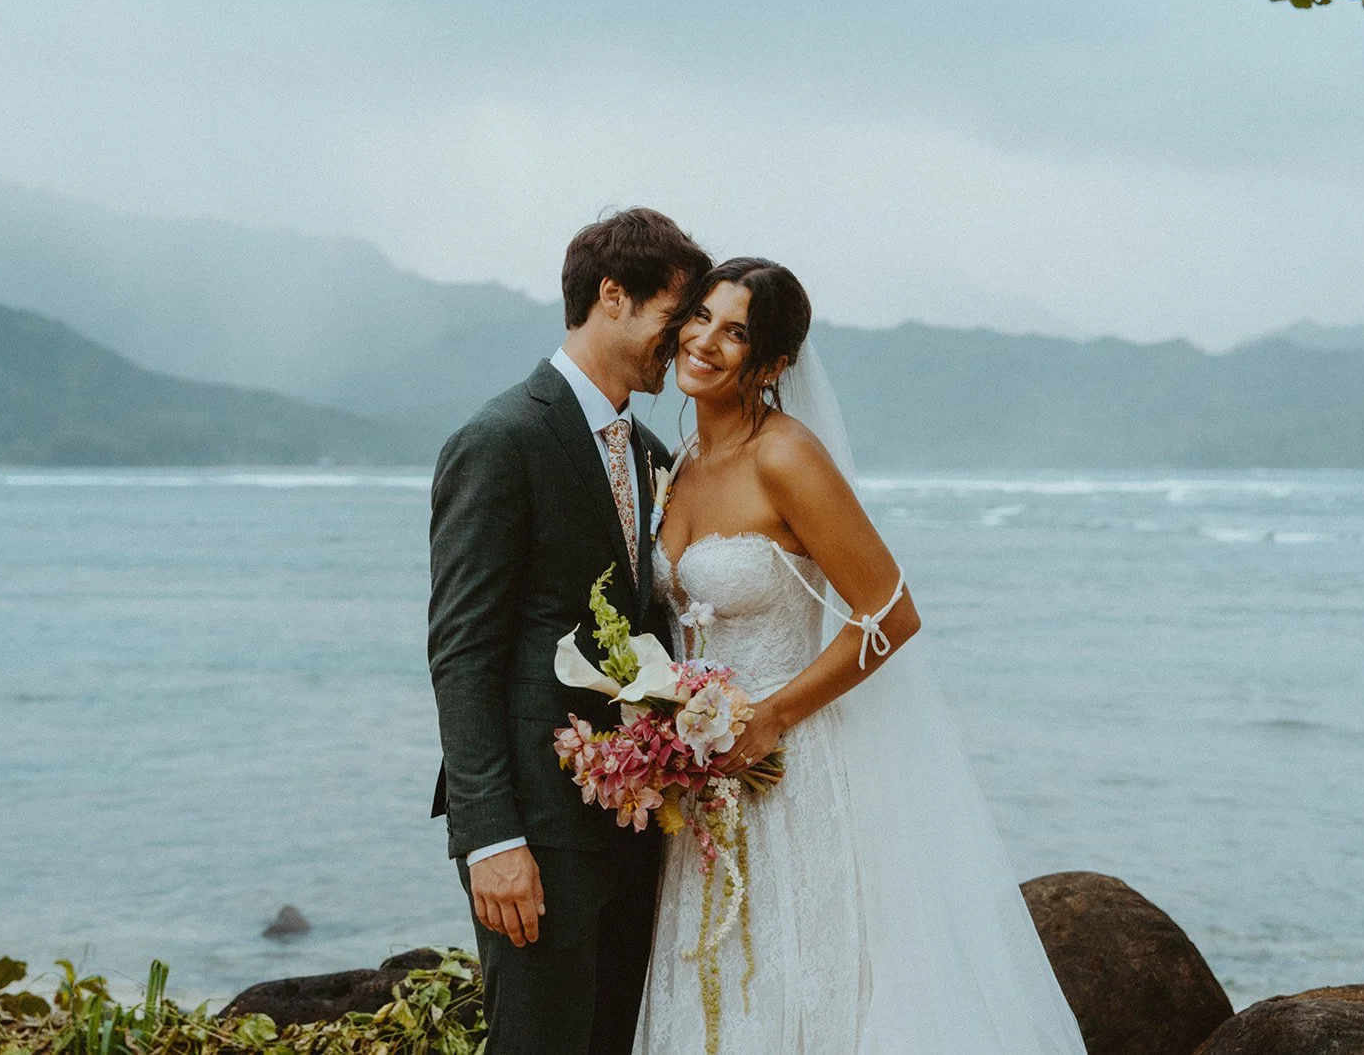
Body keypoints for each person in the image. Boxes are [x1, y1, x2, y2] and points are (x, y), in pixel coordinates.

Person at [635, 258, 1087, 1054]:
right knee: (714, 986)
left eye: (735, 331)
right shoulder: (681, 464)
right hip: (702, 783)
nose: (704, 340)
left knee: (797, 987)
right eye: (700, 317)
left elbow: (889, 610)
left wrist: (773, 714)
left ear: (772, 364)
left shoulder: (786, 456)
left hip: (786, 772)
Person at [428, 207, 711, 1055]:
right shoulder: (502, 439)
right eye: (677, 315)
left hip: (631, 830)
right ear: (613, 296)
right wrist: (491, 838)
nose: (683, 340)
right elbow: (462, 649)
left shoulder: (651, 453)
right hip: (537, 833)